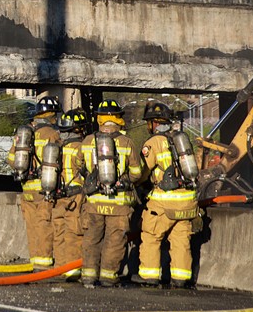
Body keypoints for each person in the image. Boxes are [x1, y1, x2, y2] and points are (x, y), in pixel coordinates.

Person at [75, 99, 144, 288]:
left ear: (99, 119)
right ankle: (108, 276)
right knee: (115, 240)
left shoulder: (88, 141)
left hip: (94, 202)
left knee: (92, 238)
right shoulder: (126, 142)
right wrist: (126, 179)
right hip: (119, 204)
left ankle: (88, 276)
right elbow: (137, 173)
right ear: (119, 119)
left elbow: (78, 167)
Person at [133, 100, 200, 289]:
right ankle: (180, 278)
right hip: (187, 203)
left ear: (153, 123)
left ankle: (149, 276)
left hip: (164, 202)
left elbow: (143, 171)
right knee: (181, 240)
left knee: (151, 236)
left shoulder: (153, 142)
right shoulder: (182, 139)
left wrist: (136, 183)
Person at [6, 94, 62, 270]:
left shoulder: (24, 133)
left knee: (32, 228)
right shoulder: (52, 134)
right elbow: (60, 160)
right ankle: (43, 265)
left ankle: (34, 261)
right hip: (44, 188)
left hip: (27, 189)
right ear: (51, 116)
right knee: (44, 226)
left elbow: (10, 159)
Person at [51, 107, 93, 281]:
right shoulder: (80, 147)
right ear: (79, 128)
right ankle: (73, 270)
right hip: (75, 197)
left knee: (59, 233)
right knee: (75, 233)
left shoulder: (57, 146)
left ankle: (60, 267)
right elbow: (89, 172)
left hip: (58, 196)